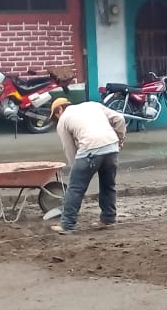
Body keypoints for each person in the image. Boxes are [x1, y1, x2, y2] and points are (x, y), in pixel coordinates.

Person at [48, 97, 127, 235]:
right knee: (108, 185)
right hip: (111, 147)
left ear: (59, 109)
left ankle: (67, 224)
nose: (57, 120)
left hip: (90, 150)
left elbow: (69, 148)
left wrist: (75, 170)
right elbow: (119, 119)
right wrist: (119, 141)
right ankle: (108, 219)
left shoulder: (63, 120)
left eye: (55, 116)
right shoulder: (93, 105)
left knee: (75, 188)